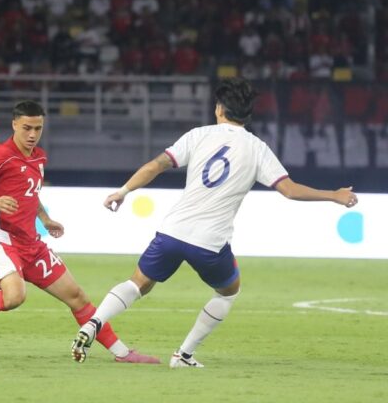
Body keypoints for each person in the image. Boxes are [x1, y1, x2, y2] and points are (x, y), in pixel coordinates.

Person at [72, 78, 358, 368]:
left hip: (172, 231)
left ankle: (94, 322)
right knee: (229, 291)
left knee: (138, 284)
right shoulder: (257, 149)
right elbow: (290, 190)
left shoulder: (198, 135)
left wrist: (123, 191)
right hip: (209, 242)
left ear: (220, 109)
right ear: (247, 115)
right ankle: (183, 355)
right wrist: (334, 195)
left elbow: (155, 166)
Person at [0, 101, 158, 364]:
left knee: (77, 296)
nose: (32, 134)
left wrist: (45, 218)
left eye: (38, 128)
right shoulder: (1, 155)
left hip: (31, 243)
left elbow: (31, 195)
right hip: (1, 238)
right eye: (27, 128)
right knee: (14, 297)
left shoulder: (38, 157)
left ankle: (122, 353)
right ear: (14, 125)